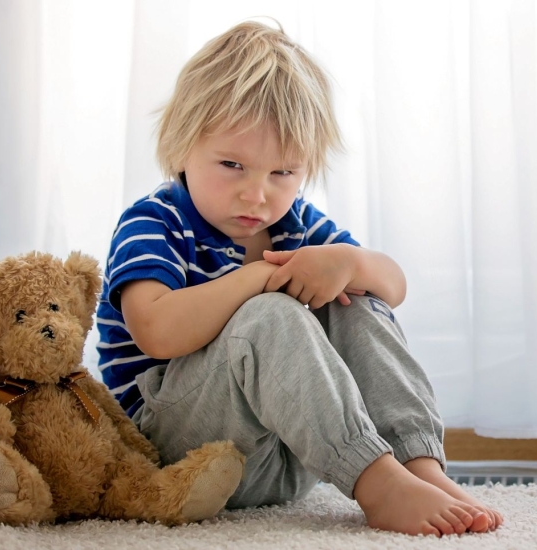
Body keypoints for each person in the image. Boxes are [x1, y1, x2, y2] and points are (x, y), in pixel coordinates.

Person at [95, 20, 502, 537]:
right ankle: (379, 486)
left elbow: (395, 287)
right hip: (178, 451)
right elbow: (156, 330)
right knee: (268, 314)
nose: (256, 195)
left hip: (287, 456)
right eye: (232, 165)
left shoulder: (296, 225)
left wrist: (349, 265)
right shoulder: (155, 221)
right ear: (181, 149)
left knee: (356, 296)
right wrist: (257, 278)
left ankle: (416, 463)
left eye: (282, 173)